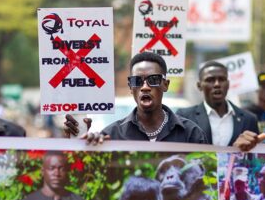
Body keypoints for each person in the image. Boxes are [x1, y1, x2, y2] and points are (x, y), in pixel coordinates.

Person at [64, 52, 207, 144]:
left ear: (165, 84)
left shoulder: (191, 134)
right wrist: (78, 142)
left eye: (153, 79)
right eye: (137, 81)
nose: (145, 87)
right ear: (130, 87)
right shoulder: (111, 135)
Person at [176, 61, 258, 146]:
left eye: (222, 79)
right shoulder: (184, 117)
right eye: (210, 80)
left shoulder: (249, 119)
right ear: (199, 85)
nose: (217, 84)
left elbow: (254, 156)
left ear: (228, 84)